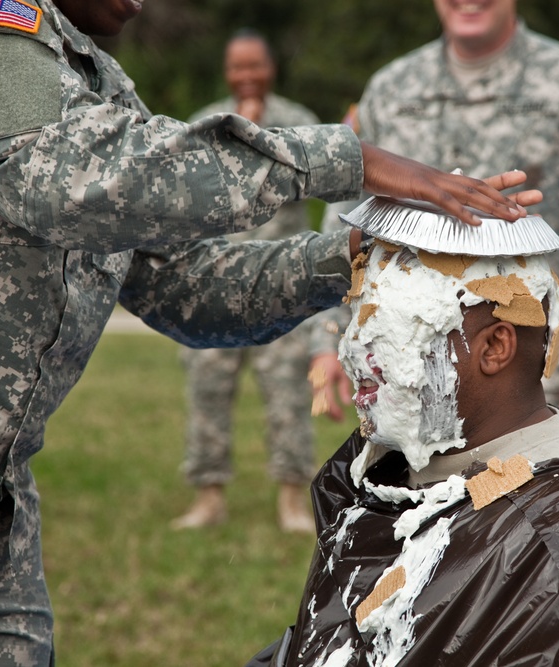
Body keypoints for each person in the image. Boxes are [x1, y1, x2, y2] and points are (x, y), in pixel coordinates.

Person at [0, 1, 539, 663]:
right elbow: (68, 177)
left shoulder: (92, 81)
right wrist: (346, 158)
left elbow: (181, 282)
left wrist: (353, 253)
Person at [249, 199, 559, 666]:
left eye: (385, 331)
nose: (354, 354)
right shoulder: (382, 468)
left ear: (495, 347)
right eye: (355, 323)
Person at [310, 0, 559, 423]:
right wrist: (327, 338)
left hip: (537, 373)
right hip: (406, 368)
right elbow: (345, 219)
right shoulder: (390, 89)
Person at [172, 30, 322, 533]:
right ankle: (209, 498)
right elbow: (185, 193)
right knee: (207, 391)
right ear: (226, 71)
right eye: (237, 67)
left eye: (255, 65)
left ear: (271, 67)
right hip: (215, 285)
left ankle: (292, 502)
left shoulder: (298, 123)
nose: (247, 76)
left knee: (287, 396)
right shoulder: (207, 123)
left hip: (282, 283)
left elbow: (318, 182)